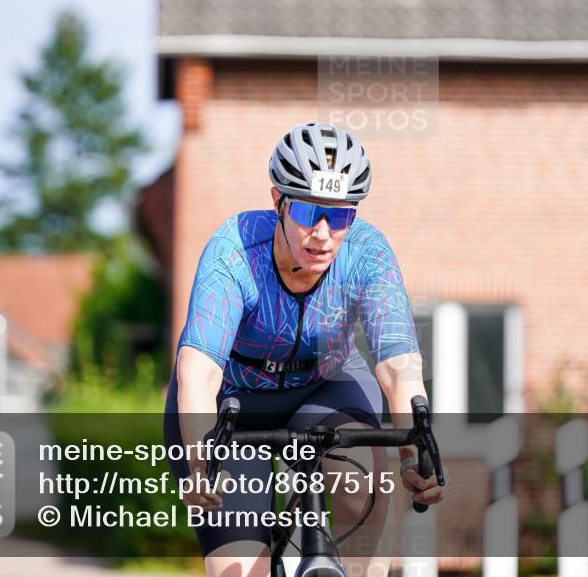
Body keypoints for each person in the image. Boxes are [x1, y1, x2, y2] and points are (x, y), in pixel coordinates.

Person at [163, 121, 442, 577]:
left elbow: (398, 368)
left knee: (364, 495)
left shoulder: (367, 255)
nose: (323, 234)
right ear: (278, 201)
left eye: (341, 215)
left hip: (324, 386)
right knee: (240, 569)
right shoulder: (235, 250)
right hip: (231, 401)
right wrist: (199, 460)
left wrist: (415, 456)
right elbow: (198, 372)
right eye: (309, 212)